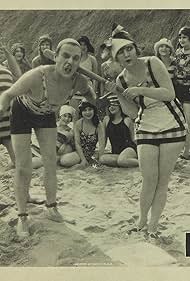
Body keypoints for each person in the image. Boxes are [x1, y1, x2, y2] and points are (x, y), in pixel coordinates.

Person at [0, 38, 96, 238]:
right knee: (23, 166)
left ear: (80, 61)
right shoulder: (37, 74)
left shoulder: (79, 81)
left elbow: (91, 97)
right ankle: (22, 216)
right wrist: (2, 108)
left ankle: (52, 208)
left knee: (50, 162)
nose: (70, 61)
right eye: (65, 56)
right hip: (22, 112)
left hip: (46, 115)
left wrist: (103, 94)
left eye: (76, 58)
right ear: (55, 56)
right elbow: (8, 94)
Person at [105, 34, 187, 238]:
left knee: (162, 180)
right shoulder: (121, 79)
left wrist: (140, 89)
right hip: (146, 125)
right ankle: (142, 220)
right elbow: (132, 112)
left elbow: (169, 94)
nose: (127, 54)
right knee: (148, 179)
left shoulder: (153, 62)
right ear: (116, 59)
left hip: (171, 123)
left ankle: (153, 225)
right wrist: (118, 93)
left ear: (135, 49)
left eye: (129, 49)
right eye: (121, 52)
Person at [59, 100, 104, 168]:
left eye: (90, 109)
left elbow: (102, 145)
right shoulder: (79, 124)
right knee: (63, 158)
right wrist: (83, 160)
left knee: (65, 161)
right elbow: (78, 144)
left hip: (90, 152)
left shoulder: (98, 124)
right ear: (81, 112)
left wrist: (100, 160)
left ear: (94, 110)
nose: (87, 112)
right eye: (84, 110)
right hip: (78, 151)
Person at [32, 104, 75, 168]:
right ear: (60, 116)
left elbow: (71, 144)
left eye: (69, 117)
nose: (66, 119)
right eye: (64, 116)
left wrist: (65, 144)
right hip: (37, 147)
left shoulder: (70, 131)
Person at [100, 97, 138, 168]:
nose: (111, 107)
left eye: (114, 104)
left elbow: (133, 139)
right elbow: (103, 140)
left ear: (120, 105)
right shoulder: (106, 119)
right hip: (116, 152)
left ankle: (141, 162)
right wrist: (100, 154)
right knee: (102, 159)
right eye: (110, 105)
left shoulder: (127, 120)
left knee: (121, 160)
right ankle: (126, 161)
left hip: (129, 149)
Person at [174, 26, 190, 160]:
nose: (181, 39)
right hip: (177, 88)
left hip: (189, 88)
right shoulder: (178, 52)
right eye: (180, 37)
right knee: (180, 120)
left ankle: (187, 151)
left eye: (184, 37)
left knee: (188, 120)